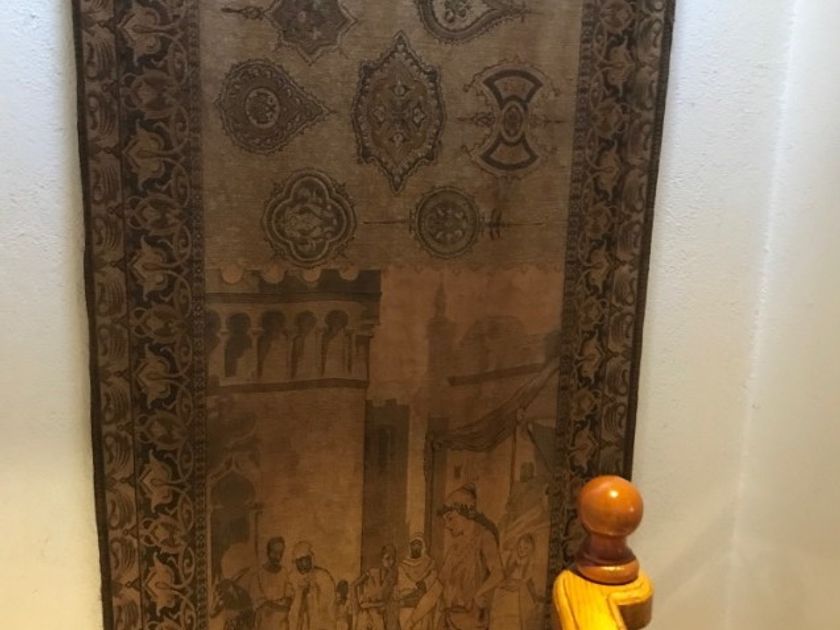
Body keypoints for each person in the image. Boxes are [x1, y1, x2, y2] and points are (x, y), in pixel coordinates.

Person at [437, 484, 504, 630]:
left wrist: (480, 593)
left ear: (466, 513)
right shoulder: (455, 547)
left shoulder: (484, 538)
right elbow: (437, 587)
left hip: (472, 623)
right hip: (449, 620)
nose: (447, 525)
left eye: (450, 518)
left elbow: (498, 573)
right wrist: (411, 621)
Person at [489, 534, 545, 630]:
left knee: (514, 617)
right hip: (508, 590)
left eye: (525, 548)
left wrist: (534, 596)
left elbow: (528, 582)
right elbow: (506, 574)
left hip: (518, 593)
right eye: (520, 547)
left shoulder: (529, 564)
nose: (522, 550)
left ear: (530, 550)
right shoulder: (512, 560)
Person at [396, 534, 442, 630]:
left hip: (424, 609)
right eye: (414, 544)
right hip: (407, 609)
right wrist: (416, 588)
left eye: (418, 544)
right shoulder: (403, 566)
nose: (416, 547)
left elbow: (433, 580)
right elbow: (403, 585)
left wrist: (424, 584)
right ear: (410, 546)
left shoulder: (429, 563)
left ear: (422, 546)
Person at [248, 537, 295, 630]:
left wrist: (285, 605)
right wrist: (278, 606)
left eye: (280, 553)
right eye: (275, 553)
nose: (278, 557)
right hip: (265, 622)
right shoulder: (258, 574)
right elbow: (259, 602)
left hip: (281, 623)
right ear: (268, 552)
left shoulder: (284, 572)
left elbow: (289, 596)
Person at [289, 541, 336, 630]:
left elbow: (329, 604)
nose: (303, 563)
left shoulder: (323, 576)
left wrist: (313, 591)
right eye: (300, 560)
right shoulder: (291, 578)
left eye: (306, 559)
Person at [351, 545, 399, 630]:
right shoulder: (372, 572)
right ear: (382, 559)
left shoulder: (391, 579)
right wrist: (356, 606)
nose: (390, 562)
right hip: (365, 612)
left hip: (379, 614)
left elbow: (391, 598)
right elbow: (353, 585)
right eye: (387, 558)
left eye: (393, 559)